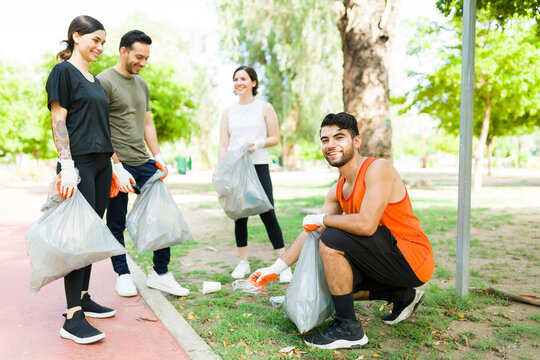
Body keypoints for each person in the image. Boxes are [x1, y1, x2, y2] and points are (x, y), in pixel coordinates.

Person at [249, 112, 434, 350]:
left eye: (339, 137)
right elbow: (311, 230)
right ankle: (402, 295)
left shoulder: (377, 169)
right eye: (325, 140)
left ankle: (349, 329)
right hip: (386, 259)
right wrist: (274, 269)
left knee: (333, 238)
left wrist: (324, 219)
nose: (331, 145)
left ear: (356, 142)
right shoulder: (337, 190)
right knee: (332, 282)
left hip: (413, 258)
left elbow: (366, 225)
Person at [97, 30, 189, 297]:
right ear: (123, 51)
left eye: (147, 58)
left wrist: (157, 156)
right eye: (139, 57)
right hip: (116, 163)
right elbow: (101, 128)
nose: (143, 63)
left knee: (162, 215)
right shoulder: (104, 81)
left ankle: (161, 273)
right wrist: (115, 166)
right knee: (116, 222)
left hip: (142, 160)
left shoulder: (142, 84)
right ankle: (123, 274)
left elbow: (147, 122)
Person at [46, 15, 116, 344]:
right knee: (77, 238)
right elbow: (59, 120)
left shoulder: (94, 79)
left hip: (102, 164)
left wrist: (115, 166)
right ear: (77, 36)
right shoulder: (63, 72)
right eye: (95, 40)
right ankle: (73, 317)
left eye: (103, 42)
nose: (100, 47)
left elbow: (101, 126)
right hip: (80, 165)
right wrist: (67, 164)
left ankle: (84, 296)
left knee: (90, 237)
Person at [218, 66, 292, 282]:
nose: (239, 82)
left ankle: (283, 263)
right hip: (236, 167)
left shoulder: (265, 107)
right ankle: (243, 262)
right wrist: (223, 168)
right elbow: (223, 144)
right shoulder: (228, 112)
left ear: (253, 82)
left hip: (258, 165)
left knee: (268, 212)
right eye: (235, 79)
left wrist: (259, 143)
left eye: (243, 78)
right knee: (239, 214)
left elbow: (275, 138)